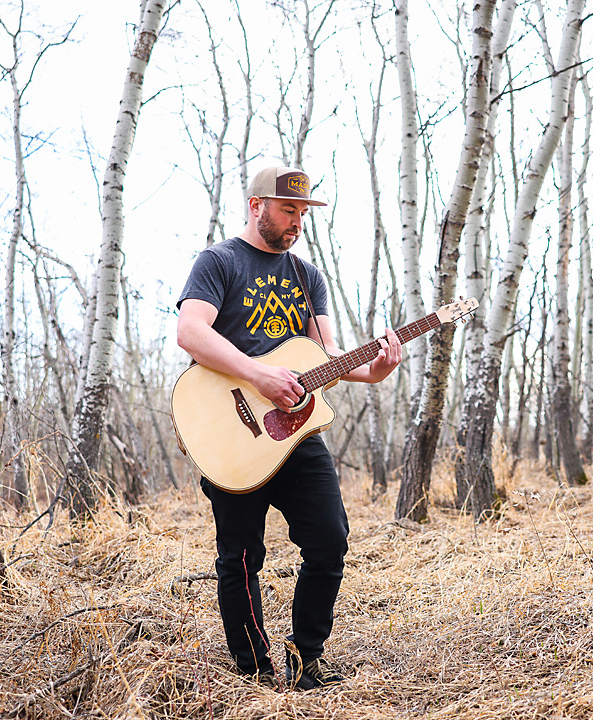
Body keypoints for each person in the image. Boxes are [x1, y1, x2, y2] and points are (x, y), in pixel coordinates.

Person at [176, 166, 402, 690]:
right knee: (241, 556)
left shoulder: (307, 277)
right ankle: (254, 672)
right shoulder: (220, 261)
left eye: (302, 213)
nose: (297, 222)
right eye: (287, 210)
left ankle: (307, 658)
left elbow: (328, 359)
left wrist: (376, 368)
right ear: (257, 206)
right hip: (231, 433)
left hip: (298, 437)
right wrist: (259, 375)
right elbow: (190, 331)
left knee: (330, 541)